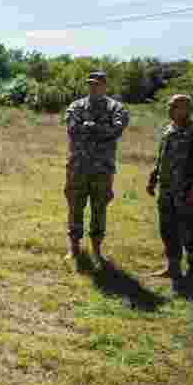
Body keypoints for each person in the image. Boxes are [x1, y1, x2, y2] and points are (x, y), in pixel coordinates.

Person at [146, 94, 193, 295]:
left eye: (174, 106)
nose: (170, 109)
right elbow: (162, 157)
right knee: (167, 229)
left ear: (186, 109)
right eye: (170, 105)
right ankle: (173, 267)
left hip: (186, 192)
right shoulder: (169, 129)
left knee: (190, 232)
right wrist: (153, 178)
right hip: (166, 191)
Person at [63, 70, 130, 264]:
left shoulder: (116, 108)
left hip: (102, 168)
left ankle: (97, 250)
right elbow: (71, 129)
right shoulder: (76, 106)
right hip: (78, 166)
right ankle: (74, 248)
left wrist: (90, 127)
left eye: (97, 84)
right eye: (90, 84)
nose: (93, 87)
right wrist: (100, 129)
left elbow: (116, 130)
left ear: (104, 85)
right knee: (75, 206)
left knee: (99, 208)